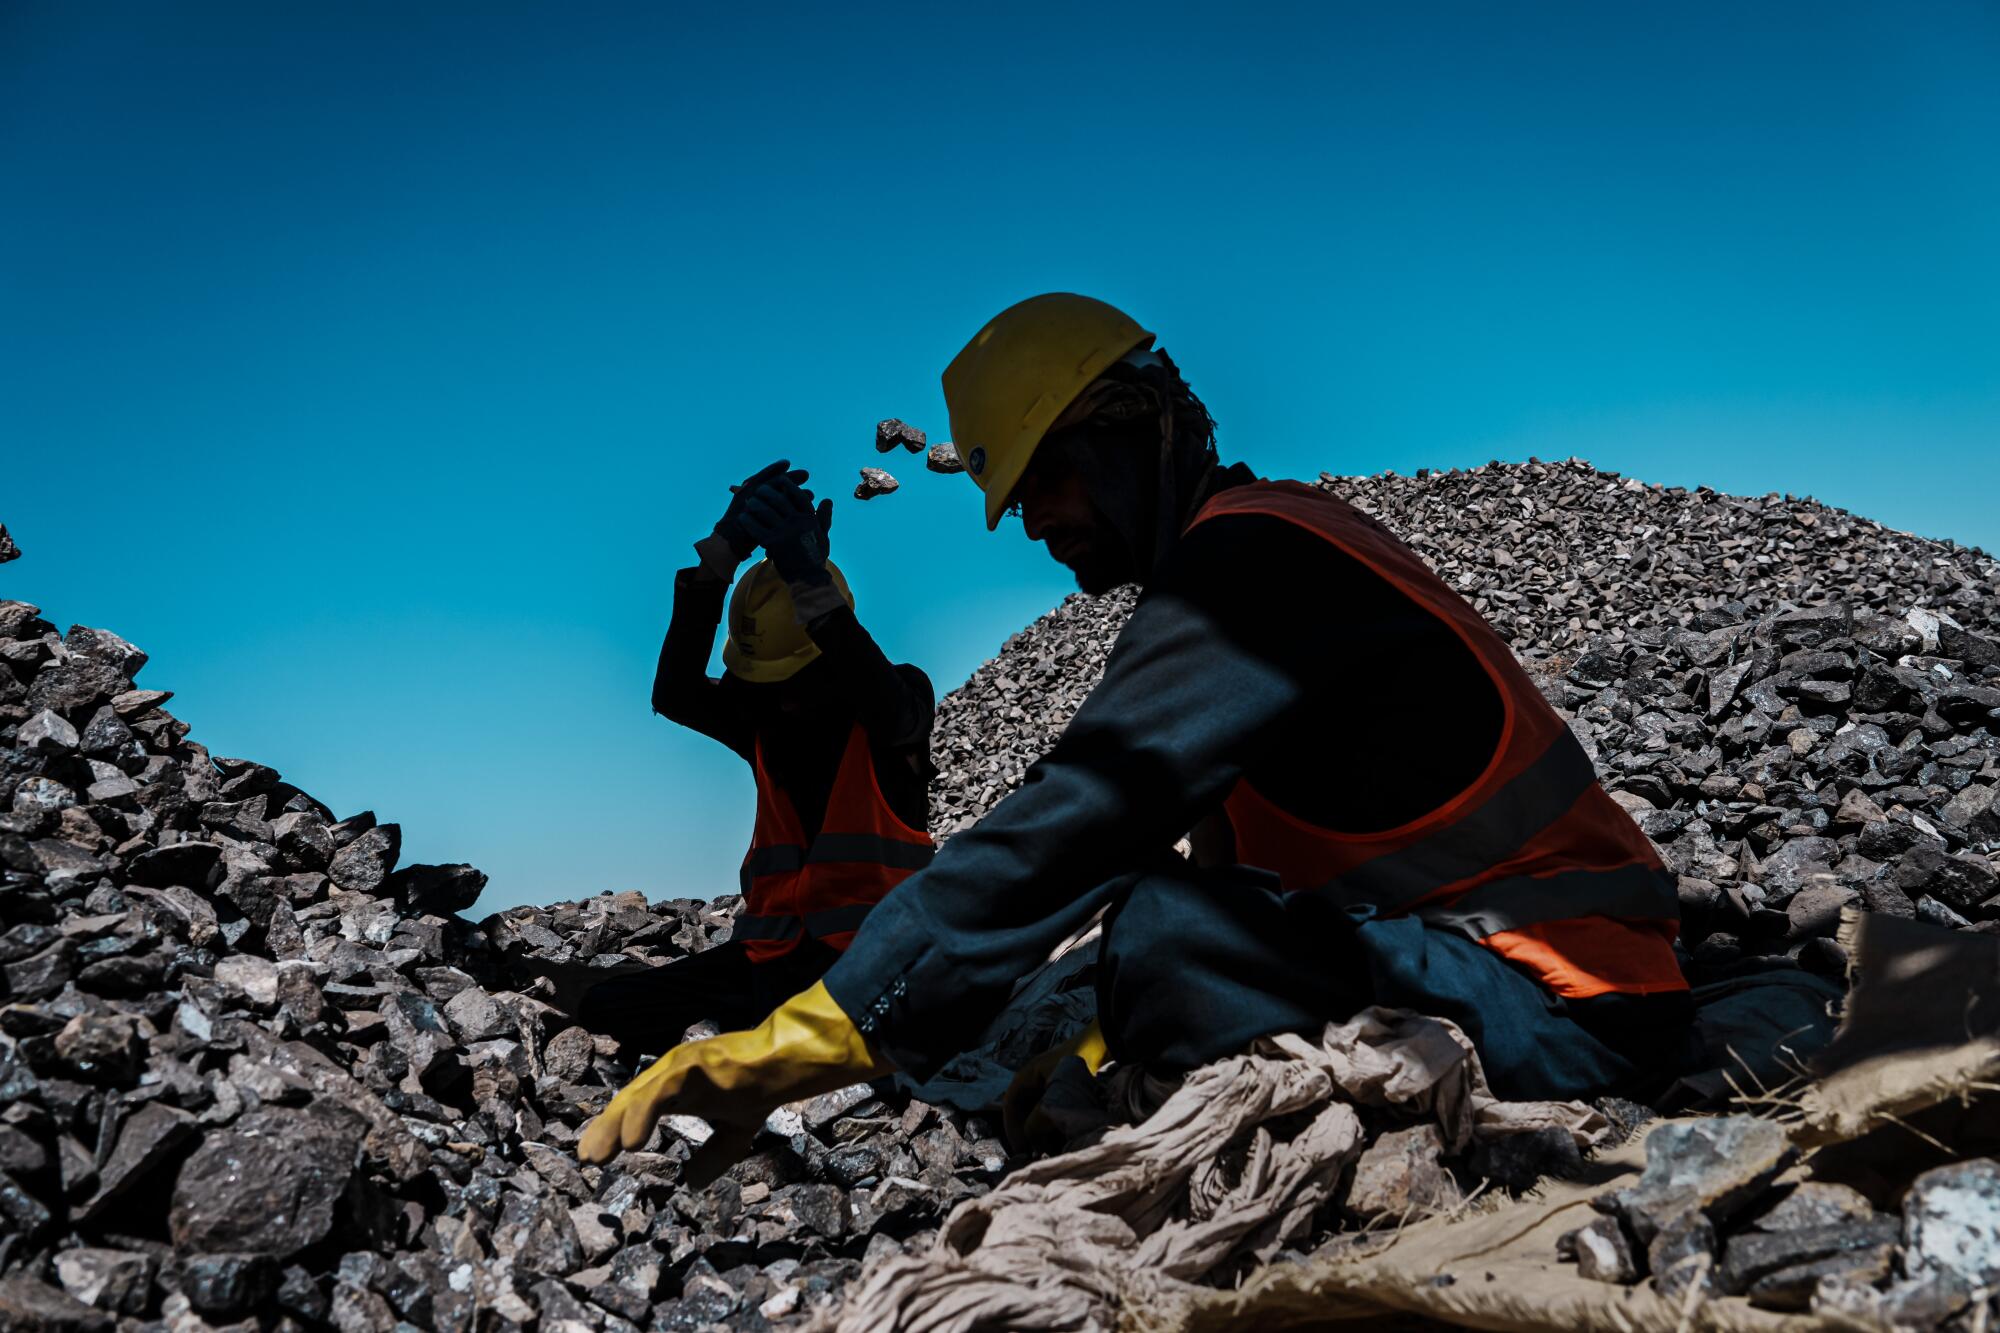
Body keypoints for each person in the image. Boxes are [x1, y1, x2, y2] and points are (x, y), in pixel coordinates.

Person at [579, 296, 1696, 1165]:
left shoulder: (1250, 568)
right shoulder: (1238, 574)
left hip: (1564, 1006)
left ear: (1138, 432)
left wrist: (812, 1037)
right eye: (1016, 500)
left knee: (1157, 928)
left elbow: (1080, 815)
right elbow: (1229, 872)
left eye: (1046, 478)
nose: (1034, 521)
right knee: (1140, 940)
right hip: (1513, 974)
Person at [572, 461, 935, 1062]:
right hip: (773, 961)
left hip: (878, 964)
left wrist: (802, 573)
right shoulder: (764, 718)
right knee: (610, 1008)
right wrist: (722, 555)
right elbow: (675, 693)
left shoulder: (893, 710)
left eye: (785, 681)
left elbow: (874, 686)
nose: (777, 696)